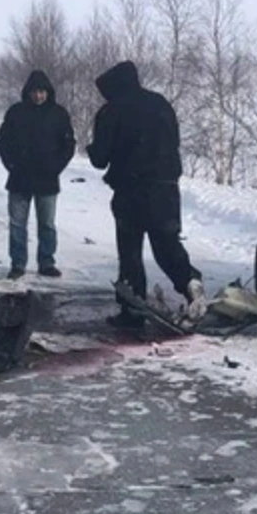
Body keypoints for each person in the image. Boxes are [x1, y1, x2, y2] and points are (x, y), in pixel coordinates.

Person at [87, 60, 205, 325]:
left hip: (131, 189)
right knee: (167, 244)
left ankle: (133, 309)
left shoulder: (111, 111)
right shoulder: (161, 103)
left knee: (130, 252)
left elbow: (100, 158)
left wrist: (92, 148)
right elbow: (174, 141)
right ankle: (190, 282)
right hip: (166, 187)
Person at [0, 70, 76, 279]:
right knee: (17, 224)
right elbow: (3, 141)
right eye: (34, 92)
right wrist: (11, 164)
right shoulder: (16, 112)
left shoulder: (59, 114)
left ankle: (47, 262)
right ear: (28, 92)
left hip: (47, 179)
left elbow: (69, 144)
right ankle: (18, 263)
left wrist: (56, 166)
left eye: (42, 92)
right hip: (19, 178)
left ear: (48, 92)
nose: (38, 96)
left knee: (47, 224)